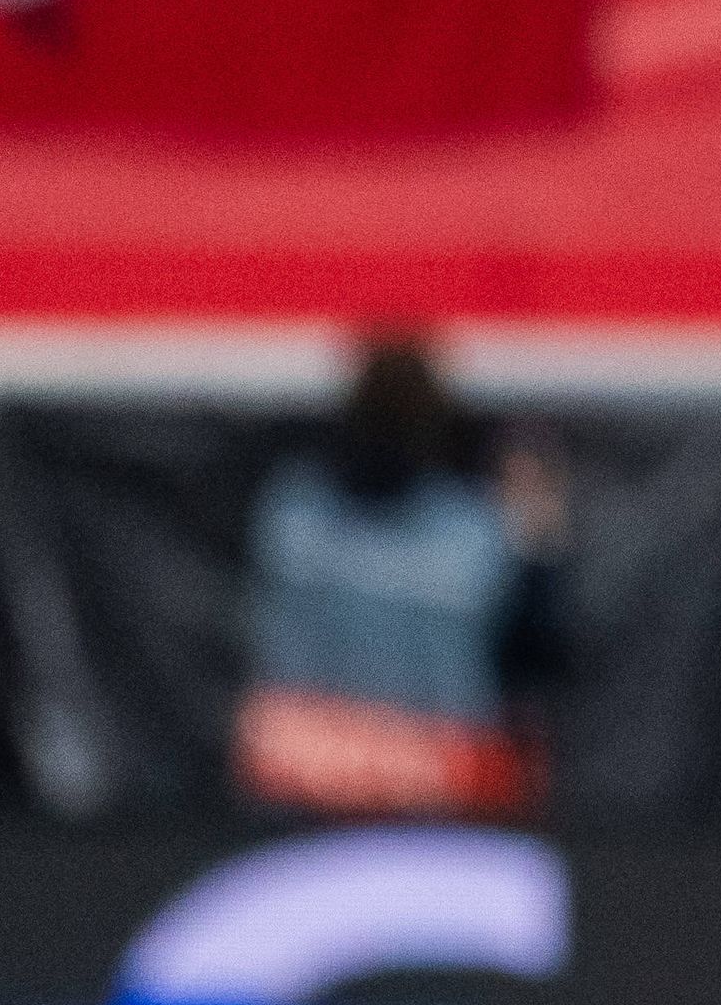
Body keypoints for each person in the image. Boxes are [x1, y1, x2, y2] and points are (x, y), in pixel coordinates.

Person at [232, 338, 568, 819]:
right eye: (382, 419)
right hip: (313, 782)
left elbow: (537, 661)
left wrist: (539, 554)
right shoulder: (297, 512)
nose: (388, 438)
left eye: (400, 421)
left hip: (439, 787)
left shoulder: (474, 528)